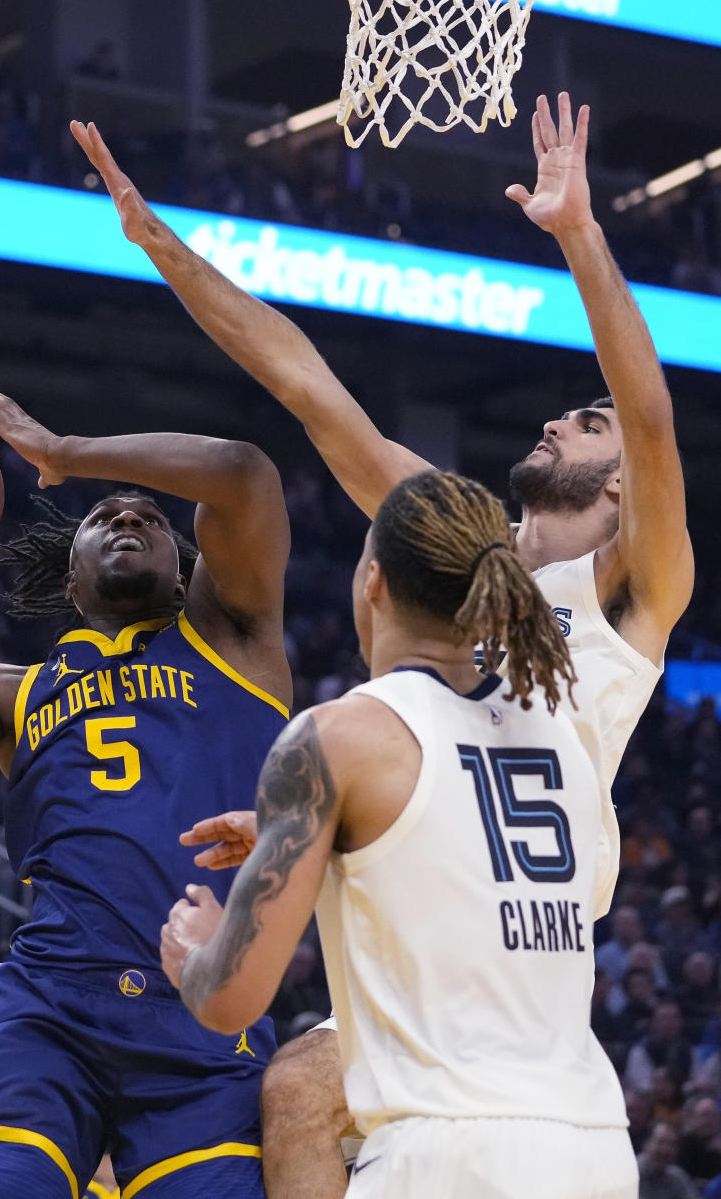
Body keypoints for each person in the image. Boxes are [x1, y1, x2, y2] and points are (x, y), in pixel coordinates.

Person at [73, 93, 693, 1198]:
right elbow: (309, 387)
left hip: (510, 946)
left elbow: (650, 420)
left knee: (300, 1070)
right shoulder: (461, 552)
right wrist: (160, 244)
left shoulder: (628, 597)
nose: (560, 421)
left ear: (616, 491)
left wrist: (582, 238)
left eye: (583, 424)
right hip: (476, 927)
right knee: (299, 1091)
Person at [0, 391, 291, 1199]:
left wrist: (70, 452)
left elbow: (243, 474)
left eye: (150, 517)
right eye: (104, 515)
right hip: (51, 1007)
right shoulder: (12, 696)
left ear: (185, 576)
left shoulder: (233, 638)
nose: (126, 514)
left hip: (206, 1004)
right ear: (71, 583)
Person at [161, 469, 635, 1199]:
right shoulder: (560, 736)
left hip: (444, 1155)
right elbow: (461, 854)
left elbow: (232, 998)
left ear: (373, 581)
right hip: (593, 1149)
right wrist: (322, 840)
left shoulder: (339, 735)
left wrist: (195, 952)